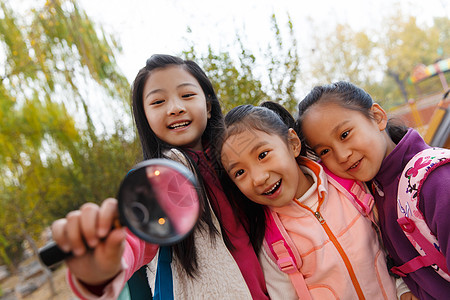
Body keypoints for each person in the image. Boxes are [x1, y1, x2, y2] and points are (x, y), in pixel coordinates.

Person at [50, 54, 270, 299]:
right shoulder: (153, 183)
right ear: (145, 117)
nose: (175, 108)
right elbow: (131, 243)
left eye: (187, 95)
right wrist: (99, 269)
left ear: (208, 106)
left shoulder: (239, 165)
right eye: (157, 102)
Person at [220, 102, 400, 299]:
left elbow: (392, 240)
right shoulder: (272, 240)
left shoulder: (348, 184)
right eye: (240, 172)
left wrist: (403, 287)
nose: (258, 178)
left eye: (263, 155)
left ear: (293, 143)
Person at [296, 81, 450, 299]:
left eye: (345, 134)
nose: (341, 155)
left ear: (377, 117)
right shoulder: (371, 194)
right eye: (325, 150)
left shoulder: (435, 181)